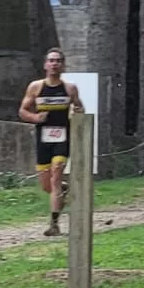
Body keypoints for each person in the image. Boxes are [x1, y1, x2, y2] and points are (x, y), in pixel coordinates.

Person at [18, 48, 85, 236]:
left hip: (62, 139)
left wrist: (77, 112)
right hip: (43, 140)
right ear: (45, 65)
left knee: (55, 176)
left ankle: (54, 225)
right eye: (51, 60)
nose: (54, 64)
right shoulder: (36, 87)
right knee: (48, 186)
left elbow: (79, 107)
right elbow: (22, 111)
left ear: (63, 65)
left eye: (58, 61)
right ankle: (64, 188)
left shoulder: (70, 88)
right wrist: (35, 118)